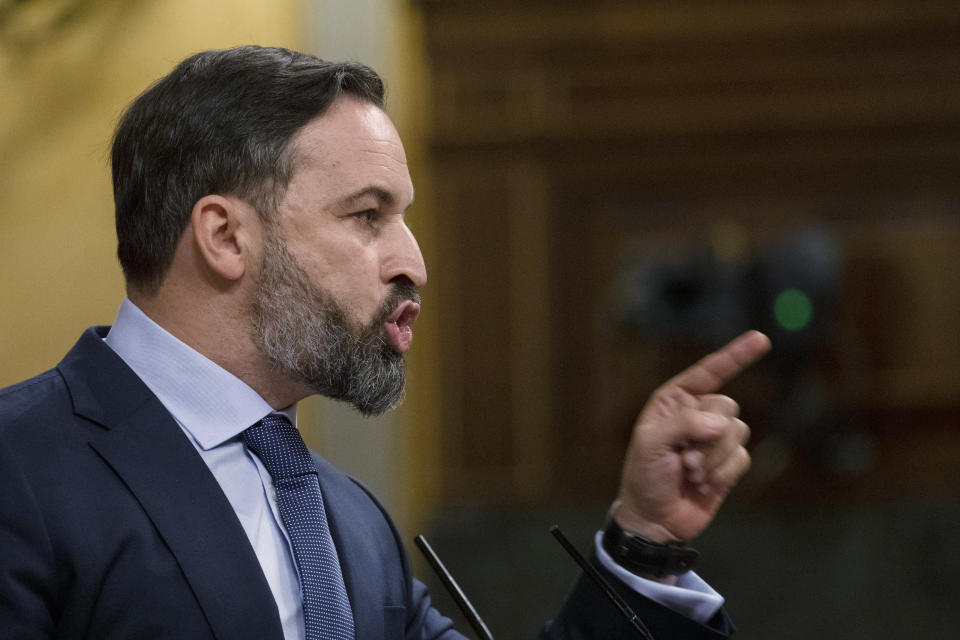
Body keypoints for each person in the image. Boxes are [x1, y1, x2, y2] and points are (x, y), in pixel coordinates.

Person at [0, 45, 770, 639]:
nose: (414, 263)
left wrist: (645, 538)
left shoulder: (345, 518)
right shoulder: (20, 471)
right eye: (368, 216)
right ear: (226, 236)